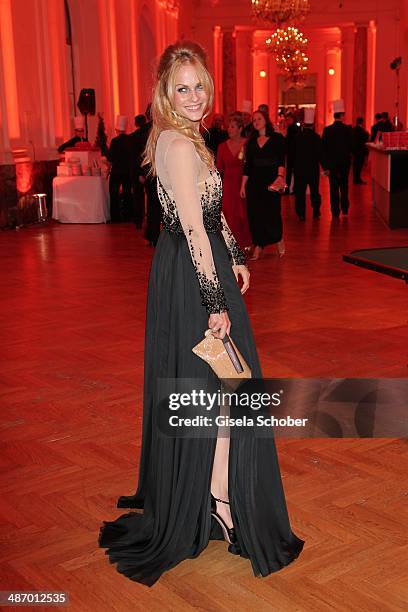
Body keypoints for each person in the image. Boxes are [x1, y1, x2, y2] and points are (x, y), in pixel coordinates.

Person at [98, 40, 304, 586]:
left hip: (199, 268)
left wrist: (235, 256)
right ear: (167, 92)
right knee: (226, 392)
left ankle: (215, 496)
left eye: (198, 86)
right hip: (193, 281)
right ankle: (220, 500)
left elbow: (208, 216)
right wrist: (215, 306)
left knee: (220, 395)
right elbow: (191, 229)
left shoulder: (188, 137)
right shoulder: (178, 143)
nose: (193, 97)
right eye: (181, 88)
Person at [240, 109, 286, 260]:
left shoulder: (277, 138)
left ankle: (278, 239)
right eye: (254, 120)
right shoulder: (251, 143)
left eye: (259, 119)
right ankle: (259, 245)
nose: (256, 122)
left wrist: (279, 177)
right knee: (255, 215)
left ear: (266, 120)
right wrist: (242, 186)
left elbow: (281, 161)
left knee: (272, 213)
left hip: (271, 181)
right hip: (254, 182)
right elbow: (248, 167)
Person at [216, 113, 252, 250]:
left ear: (240, 129)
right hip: (228, 184)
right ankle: (229, 243)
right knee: (228, 213)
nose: (229, 129)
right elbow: (219, 168)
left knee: (243, 213)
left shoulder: (247, 144)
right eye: (228, 127)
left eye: (232, 127)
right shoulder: (222, 147)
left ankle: (245, 242)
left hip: (243, 183)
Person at [322, 99, 353, 218]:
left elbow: (323, 148)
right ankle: (345, 210)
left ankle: (335, 211)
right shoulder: (348, 129)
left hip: (332, 164)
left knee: (333, 187)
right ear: (342, 115)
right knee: (344, 186)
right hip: (345, 163)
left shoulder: (327, 130)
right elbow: (351, 146)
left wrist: (326, 165)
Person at [293, 108, 322, 220]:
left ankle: (301, 213)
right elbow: (320, 154)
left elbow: (293, 154)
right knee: (314, 191)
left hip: (300, 169)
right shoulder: (316, 137)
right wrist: (325, 167)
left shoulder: (297, 137)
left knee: (300, 192)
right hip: (313, 169)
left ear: (304, 124)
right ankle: (316, 210)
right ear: (312, 125)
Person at [141, 104, 162, 246]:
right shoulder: (160, 129)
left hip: (150, 172)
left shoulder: (144, 130)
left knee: (153, 204)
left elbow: (140, 155)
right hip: (156, 172)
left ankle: (152, 234)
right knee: (158, 205)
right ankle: (155, 235)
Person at [107, 115, 132, 222]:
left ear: (116, 130)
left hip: (116, 171)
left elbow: (110, 158)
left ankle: (115, 217)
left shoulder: (114, 141)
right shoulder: (130, 140)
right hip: (127, 171)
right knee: (127, 194)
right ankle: (127, 216)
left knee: (114, 194)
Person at [128, 114, 147, 228]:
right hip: (147, 169)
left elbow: (134, 156)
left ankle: (138, 220)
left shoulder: (132, 137)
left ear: (135, 124)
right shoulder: (148, 134)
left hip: (135, 170)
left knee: (137, 196)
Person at [284, 112, 300, 194]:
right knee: (295, 172)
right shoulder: (296, 128)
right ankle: (294, 188)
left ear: (292, 120)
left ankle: (287, 189)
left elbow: (288, 142)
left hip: (291, 153)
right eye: (286, 120)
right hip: (295, 153)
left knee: (289, 173)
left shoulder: (291, 128)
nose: (287, 121)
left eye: (288, 119)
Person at [352, 117, 369, 184]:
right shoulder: (362, 131)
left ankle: (355, 179)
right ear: (362, 122)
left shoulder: (353, 129)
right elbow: (365, 139)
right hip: (361, 150)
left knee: (355, 165)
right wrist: (367, 134)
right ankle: (357, 179)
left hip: (355, 150)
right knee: (359, 166)